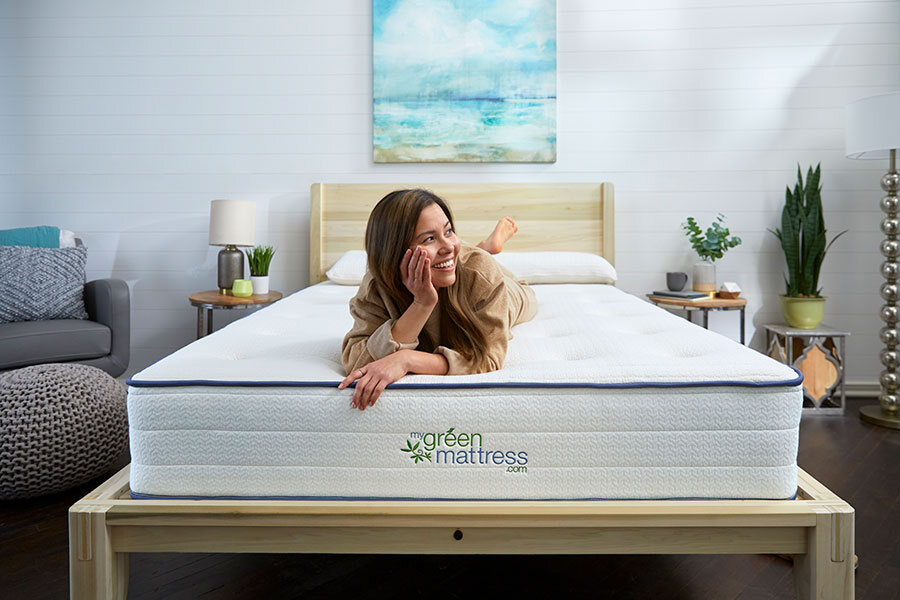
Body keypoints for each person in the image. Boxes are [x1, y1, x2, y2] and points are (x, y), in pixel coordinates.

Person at [338, 188, 538, 410]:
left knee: (523, 293)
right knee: (456, 257)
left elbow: (489, 360)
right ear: (394, 252)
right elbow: (357, 362)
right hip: (455, 269)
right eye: (429, 238)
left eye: (449, 231)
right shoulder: (377, 285)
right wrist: (421, 304)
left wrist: (406, 359)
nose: (449, 246)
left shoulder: (481, 274)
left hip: (499, 289)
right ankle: (482, 249)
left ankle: (485, 250)